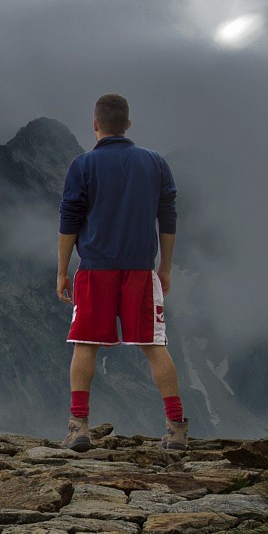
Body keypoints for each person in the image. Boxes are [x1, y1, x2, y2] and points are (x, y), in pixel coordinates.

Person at [56, 93, 185, 452]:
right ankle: (176, 428)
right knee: (154, 344)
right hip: (140, 269)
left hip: (95, 269)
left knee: (85, 345)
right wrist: (165, 266)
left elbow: (69, 219)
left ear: (95, 124)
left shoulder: (83, 165)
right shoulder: (154, 163)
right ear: (128, 124)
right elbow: (168, 217)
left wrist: (63, 271)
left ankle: (79, 427)